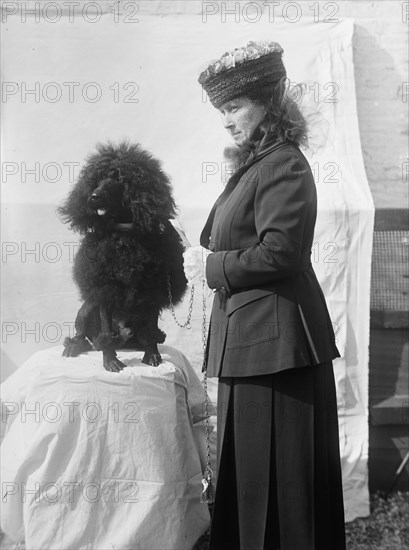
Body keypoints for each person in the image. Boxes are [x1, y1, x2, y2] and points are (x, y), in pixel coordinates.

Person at [183, 41, 346, 550]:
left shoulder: (283, 165)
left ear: (269, 103)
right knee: (251, 477)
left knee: (284, 489)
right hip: (252, 345)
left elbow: (281, 253)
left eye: (234, 107)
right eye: (222, 111)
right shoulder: (258, 164)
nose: (226, 121)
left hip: (278, 352)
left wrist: (211, 266)